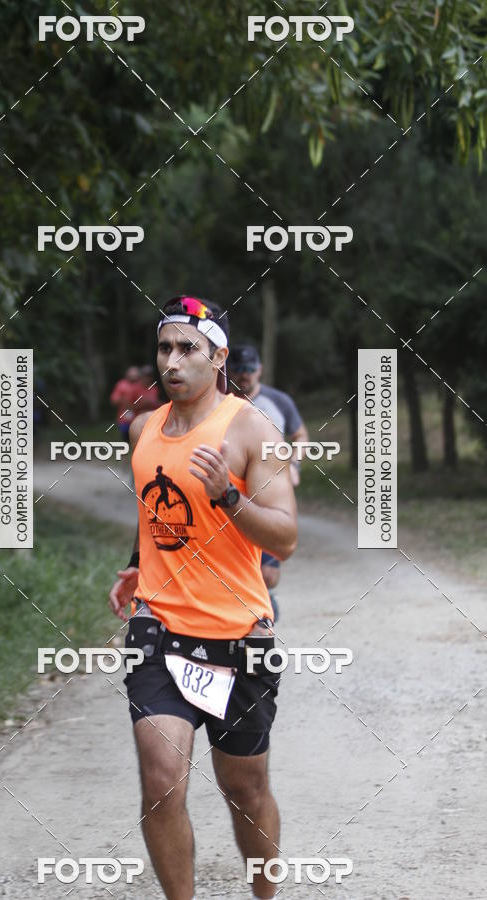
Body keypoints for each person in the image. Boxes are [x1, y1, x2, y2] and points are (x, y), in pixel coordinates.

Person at [108, 295, 297, 900]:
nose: (173, 360)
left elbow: (286, 538)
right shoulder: (142, 429)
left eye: (188, 348)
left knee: (245, 790)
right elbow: (156, 510)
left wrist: (229, 497)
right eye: (164, 347)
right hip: (159, 630)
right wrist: (137, 566)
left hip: (239, 636)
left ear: (218, 357)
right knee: (161, 780)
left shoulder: (251, 428)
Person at [227, 345, 308, 623]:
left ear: (260, 369)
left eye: (250, 370)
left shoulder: (278, 401)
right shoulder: (219, 402)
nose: (244, 376)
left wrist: (294, 465)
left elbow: (300, 435)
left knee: (268, 575)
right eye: (238, 370)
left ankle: (261, 601)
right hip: (230, 495)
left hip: (270, 494)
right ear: (228, 371)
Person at [110, 366, 143, 439]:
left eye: (135, 373)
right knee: (126, 439)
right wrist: (124, 400)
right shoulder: (121, 385)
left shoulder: (141, 385)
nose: (133, 375)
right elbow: (114, 400)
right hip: (124, 419)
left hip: (139, 418)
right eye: (131, 373)